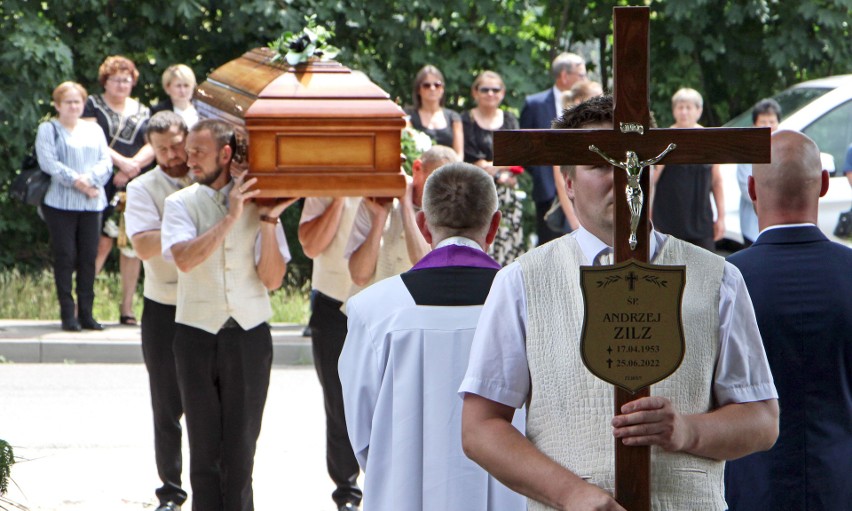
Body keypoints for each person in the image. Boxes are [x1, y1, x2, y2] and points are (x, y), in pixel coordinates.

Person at [460, 95, 779, 510]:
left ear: (651, 168)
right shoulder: (522, 282)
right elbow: (480, 426)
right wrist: (570, 493)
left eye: (632, 160)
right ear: (568, 181)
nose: (618, 175)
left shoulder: (718, 278)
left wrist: (686, 429)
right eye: (597, 164)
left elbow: (762, 419)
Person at [340, 162, 526, 511]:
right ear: (495, 226)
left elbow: (361, 429)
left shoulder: (375, 310)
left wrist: (393, 470)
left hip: (404, 490)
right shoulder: (529, 302)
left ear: (423, 224)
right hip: (507, 493)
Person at [160, 119, 295, 511]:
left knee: (241, 450)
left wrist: (267, 221)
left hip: (250, 336)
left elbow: (271, 279)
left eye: (198, 152)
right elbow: (185, 259)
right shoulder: (179, 203)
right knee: (203, 450)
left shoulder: (260, 202)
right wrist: (230, 218)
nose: (190, 160)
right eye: (188, 151)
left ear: (224, 154)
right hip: (195, 335)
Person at [724, 130, 852, 510]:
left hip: (752, 488)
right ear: (825, 184)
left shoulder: (725, 281)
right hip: (841, 483)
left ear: (752, 188)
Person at [124, 111, 193, 511]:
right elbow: (145, 247)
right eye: (161, 149)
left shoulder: (208, 176)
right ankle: (170, 490)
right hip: (163, 304)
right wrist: (189, 222)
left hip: (207, 303)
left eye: (176, 145)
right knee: (166, 405)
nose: (170, 155)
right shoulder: (141, 188)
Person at [298, 196, 364, 511]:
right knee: (338, 404)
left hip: (383, 301)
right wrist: (340, 197)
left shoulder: (395, 180)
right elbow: (311, 247)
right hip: (332, 303)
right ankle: (347, 493)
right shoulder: (322, 190)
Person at [83, 55, 154, 325]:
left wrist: (133, 165)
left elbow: (152, 143)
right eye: (116, 80)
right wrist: (120, 163)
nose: (122, 85)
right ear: (106, 81)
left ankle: (127, 309)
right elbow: (90, 138)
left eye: (127, 80)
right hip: (100, 181)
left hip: (134, 182)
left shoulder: (143, 110)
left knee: (132, 245)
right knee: (100, 243)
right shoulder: (92, 104)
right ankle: (83, 306)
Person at [35, 81, 112, 332]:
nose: (73, 106)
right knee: (66, 256)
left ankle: (87, 313)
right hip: (60, 203)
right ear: (58, 105)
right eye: (68, 102)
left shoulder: (94, 129)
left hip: (92, 203)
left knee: (88, 258)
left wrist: (90, 181)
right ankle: (68, 314)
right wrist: (78, 182)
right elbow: (49, 163)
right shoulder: (49, 129)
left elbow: (105, 162)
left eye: (77, 101)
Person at [345, 145, 457, 288]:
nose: (443, 194)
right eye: (437, 182)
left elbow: (425, 267)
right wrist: (380, 218)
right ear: (417, 168)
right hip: (365, 308)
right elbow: (359, 276)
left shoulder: (448, 217)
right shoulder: (377, 198)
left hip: (410, 310)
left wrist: (406, 205)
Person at [520, 52, 586, 246]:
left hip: (581, 186)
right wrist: (541, 175)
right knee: (549, 247)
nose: (585, 79)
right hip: (548, 192)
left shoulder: (589, 102)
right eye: (581, 75)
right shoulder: (535, 104)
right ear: (564, 76)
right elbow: (526, 147)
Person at [461, 70, 525, 265]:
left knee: (507, 249)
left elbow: (517, 154)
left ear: (502, 93)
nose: (490, 94)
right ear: (475, 92)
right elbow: (467, 155)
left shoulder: (510, 120)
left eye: (495, 89)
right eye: (485, 89)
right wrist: (492, 167)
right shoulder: (465, 119)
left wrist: (494, 168)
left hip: (506, 192)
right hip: (474, 191)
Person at [651, 88, 724, 251]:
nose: (684, 112)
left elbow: (717, 182)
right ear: (674, 110)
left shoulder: (709, 140)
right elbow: (651, 181)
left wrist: (721, 217)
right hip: (668, 221)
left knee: (706, 271)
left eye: (688, 107)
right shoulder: (664, 141)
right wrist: (648, 218)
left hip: (701, 221)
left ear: (699, 111)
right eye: (680, 107)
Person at [550, 80, 604, 235]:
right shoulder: (566, 133)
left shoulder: (603, 131)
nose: (602, 103)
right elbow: (561, 180)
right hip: (576, 214)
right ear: (579, 101)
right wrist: (574, 221)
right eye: (596, 98)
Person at [736, 99, 781, 246]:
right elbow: (746, 189)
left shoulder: (786, 149)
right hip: (752, 226)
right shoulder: (746, 152)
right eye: (763, 122)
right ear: (755, 124)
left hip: (779, 225)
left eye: (772, 121)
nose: (768, 126)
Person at [405, 65, 464, 158]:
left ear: (442, 89)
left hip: (449, 169)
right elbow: (409, 149)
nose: (432, 88)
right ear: (418, 90)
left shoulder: (454, 117)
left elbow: (459, 155)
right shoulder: (409, 116)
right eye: (426, 85)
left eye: (437, 85)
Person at [151, 64, 199, 129]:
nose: (183, 91)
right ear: (167, 88)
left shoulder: (203, 110)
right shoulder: (157, 112)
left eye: (186, 85)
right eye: (178, 86)